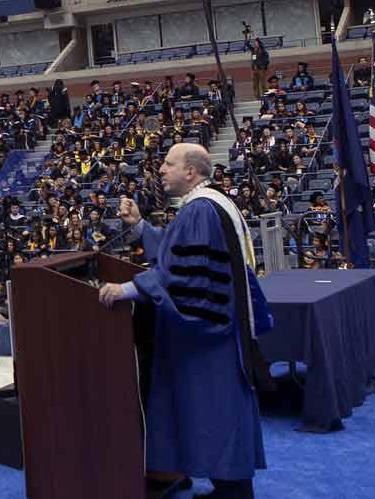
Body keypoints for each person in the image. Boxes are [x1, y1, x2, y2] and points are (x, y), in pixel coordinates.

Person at [99, 142, 268, 499]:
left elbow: (181, 274)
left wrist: (126, 289)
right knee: (221, 414)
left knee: (216, 413)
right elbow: (179, 251)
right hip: (225, 333)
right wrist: (141, 226)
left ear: (190, 171)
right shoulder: (209, 205)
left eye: (168, 163)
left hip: (212, 342)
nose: (160, 169)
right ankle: (230, 487)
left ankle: (233, 492)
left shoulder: (200, 211)